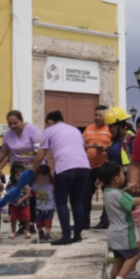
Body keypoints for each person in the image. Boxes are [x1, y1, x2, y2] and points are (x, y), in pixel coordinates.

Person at [30, 110, 92, 246]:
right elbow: (82, 147)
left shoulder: (49, 130)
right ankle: (77, 234)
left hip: (64, 168)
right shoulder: (75, 130)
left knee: (61, 202)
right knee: (77, 201)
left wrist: (32, 169)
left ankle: (66, 235)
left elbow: (40, 155)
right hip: (84, 166)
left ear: (49, 121)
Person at [100, 161, 140, 279]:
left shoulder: (108, 192)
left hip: (114, 233)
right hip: (124, 232)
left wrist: (125, 190)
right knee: (134, 255)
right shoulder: (119, 195)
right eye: (121, 174)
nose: (124, 176)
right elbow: (135, 202)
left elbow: (118, 196)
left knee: (119, 259)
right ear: (116, 179)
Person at [84, 105, 112, 229]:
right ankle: (84, 222)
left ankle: (105, 221)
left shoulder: (110, 129)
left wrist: (105, 148)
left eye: (100, 115)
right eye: (95, 115)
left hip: (105, 167)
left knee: (107, 195)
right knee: (85, 195)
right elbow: (82, 143)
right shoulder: (89, 128)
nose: (97, 117)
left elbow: (115, 144)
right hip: (89, 167)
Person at [6, 163, 33, 237]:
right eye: (18, 175)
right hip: (14, 204)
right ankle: (13, 231)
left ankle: (27, 231)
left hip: (24, 204)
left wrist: (22, 200)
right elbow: (8, 192)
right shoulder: (11, 183)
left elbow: (29, 193)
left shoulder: (25, 183)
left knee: (27, 218)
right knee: (13, 219)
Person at [32, 166, 56, 243]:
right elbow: (31, 193)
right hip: (39, 208)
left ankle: (47, 234)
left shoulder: (51, 183)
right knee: (38, 222)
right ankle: (40, 231)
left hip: (50, 207)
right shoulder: (36, 184)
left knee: (48, 221)